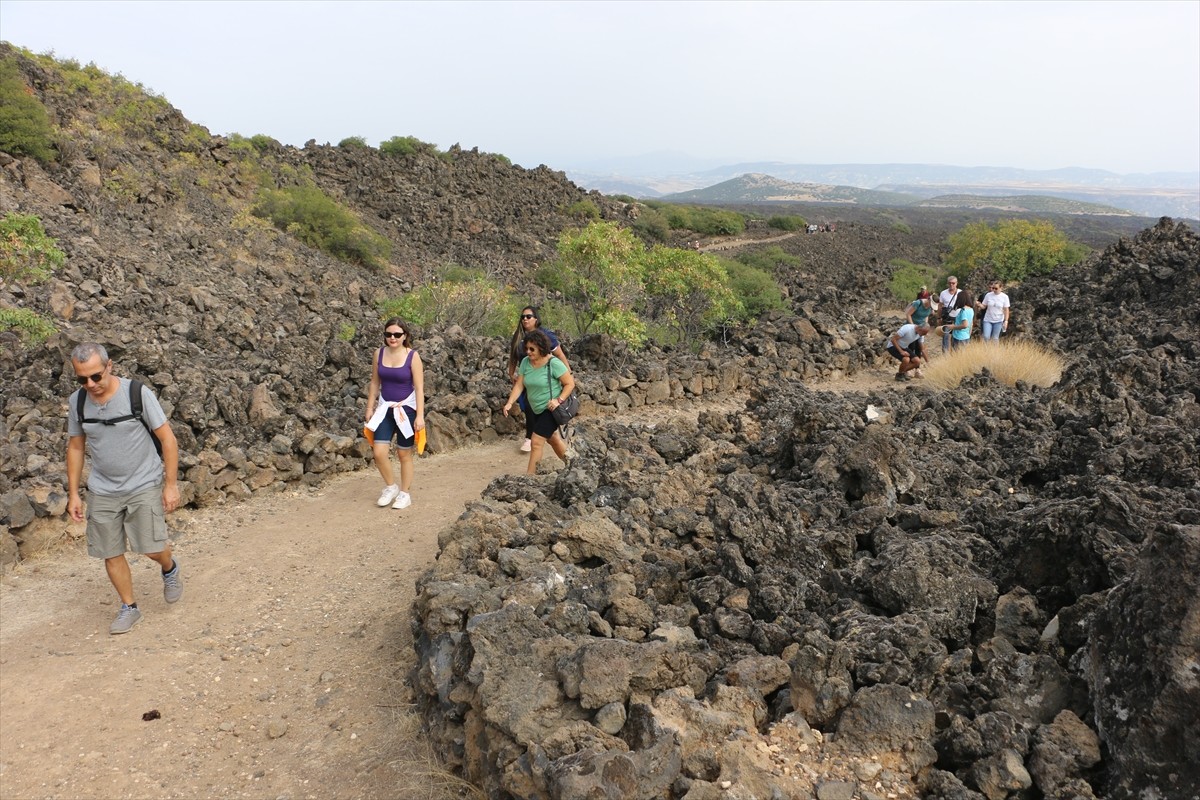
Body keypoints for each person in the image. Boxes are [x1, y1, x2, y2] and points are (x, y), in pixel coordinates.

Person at [66, 342, 183, 635]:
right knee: (110, 550)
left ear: (109, 366)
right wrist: (73, 494)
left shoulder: (137, 394)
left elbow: (168, 439)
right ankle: (129, 607)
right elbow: (76, 447)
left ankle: (169, 568)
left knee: (151, 548)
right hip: (103, 488)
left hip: (143, 481)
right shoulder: (77, 403)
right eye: (82, 379)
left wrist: (170, 484)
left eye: (96, 376)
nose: (90, 384)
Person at [365, 318, 425, 510]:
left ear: (405, 336)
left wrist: (420, 415)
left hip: (406, 410)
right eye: (389, 334)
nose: (393, 338)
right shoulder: (378, 354)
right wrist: (369, 407)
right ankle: (391, 487)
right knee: (379, 452)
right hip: (384, 409)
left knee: (403, 453)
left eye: (397, 334)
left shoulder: (412, 356)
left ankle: (405, 493)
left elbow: (419, 388)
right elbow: (375, 382)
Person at [503, 329, 574, 474]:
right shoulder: (525, 363)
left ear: (541, 348)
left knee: (536, 442)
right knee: (552, 438)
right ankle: (573, 463)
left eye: (532, 349)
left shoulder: (553, 363)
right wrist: (510, 403)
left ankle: (529, 478)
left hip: (551, 409)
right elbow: (519, 384)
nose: (528, 352)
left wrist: (558, 400)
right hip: (535, 409)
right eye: (526, 349)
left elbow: (570, 384)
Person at [507, 306, 571, 454]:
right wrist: (511, 374)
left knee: (533, 409)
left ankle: (530, 438)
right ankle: (548, 439)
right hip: (527, 378)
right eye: (522, 317)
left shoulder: (546, 336)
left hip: (543, 380)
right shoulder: (518, 337)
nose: (525, 319)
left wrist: (568, 373)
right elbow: (514, 356)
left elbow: (560, 356)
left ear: (536, 319)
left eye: (528, 316)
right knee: (529, 408)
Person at [939, 285, 974, 350]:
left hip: (959, 337)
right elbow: (971, 324)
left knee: (956, 354)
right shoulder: (971, 310)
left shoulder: (963, 311)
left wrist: (953, 327)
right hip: (966, 336)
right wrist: (968, 335)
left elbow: (965, 325)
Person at [938, 276, 966, 352]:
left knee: (956, 337)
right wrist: (939, 317)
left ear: (956, 283)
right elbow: (940, 306)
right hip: (947, 318)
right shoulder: (943, 293)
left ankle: (954, 354)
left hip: (958, 318)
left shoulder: (961, 293)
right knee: (946, 337)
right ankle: (945, 355)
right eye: (950, 283)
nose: (951, 285)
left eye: (953, 283)